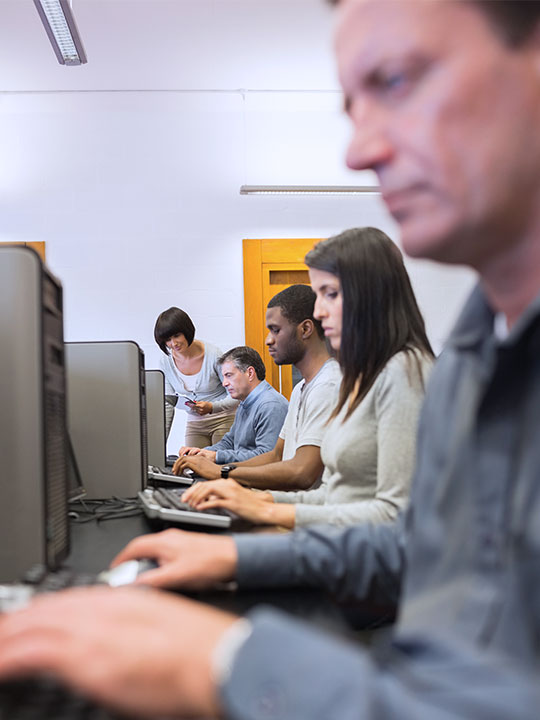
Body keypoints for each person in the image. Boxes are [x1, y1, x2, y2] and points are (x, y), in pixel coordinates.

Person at [2, 1, 540, 718]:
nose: (359, 150)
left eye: (399, 80)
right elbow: (416, 548)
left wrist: (222, 662)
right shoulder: (482, 344)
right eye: (353, 105)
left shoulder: (416, 370)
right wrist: (232, 554)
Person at [183, 227, 433, 528]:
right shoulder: (362, 378)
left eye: (330, 294)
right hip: (336, 542)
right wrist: (257, 500)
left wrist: (242, 489)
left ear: (371, 294)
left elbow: (395, 514)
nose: (319, 311)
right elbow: (335, 495)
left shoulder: (403, 372)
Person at [173, 284, 342, 491]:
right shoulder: (300, 389)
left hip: (307, 511)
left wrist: (221, 472)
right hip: (290, 501)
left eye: (276, 330)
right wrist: (217, 466)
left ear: (305, 329)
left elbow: (302, 474)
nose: (268, 340)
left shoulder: (327, 386)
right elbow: (276, 455)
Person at [178, 346, 289, 464]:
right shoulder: (245, 402)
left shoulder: (271, 405)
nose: (224, 383)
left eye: (229, 375)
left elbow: (267, 457)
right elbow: (229, 442)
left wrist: (216, 456)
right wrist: (200, 453)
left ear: (250, 373)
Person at [154, 306, 238, 447]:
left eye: (176, 336)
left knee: (218, 464)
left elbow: (235, 394)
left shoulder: (214, 355)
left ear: (187, 331)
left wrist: (212, 407)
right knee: (193, 464)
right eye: (168, 339)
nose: (173, 344)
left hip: (222, 418)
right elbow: (167, 403)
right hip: (195, 423)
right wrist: (159, 445)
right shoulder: (165, 362)